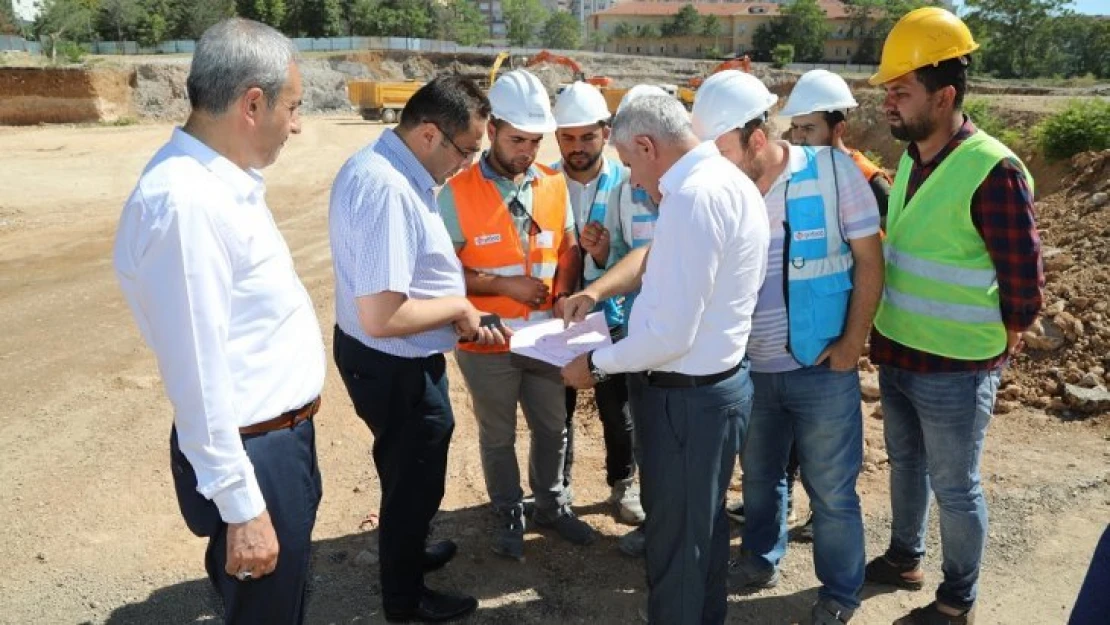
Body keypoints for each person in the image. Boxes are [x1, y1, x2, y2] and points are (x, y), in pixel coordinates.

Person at [113, 18, 325, 624]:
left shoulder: (219, 185)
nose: (299, 123)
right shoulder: (187, 205)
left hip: (272, 443)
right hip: (253, 453)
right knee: (264, 612)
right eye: (294, 106)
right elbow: (197, 374)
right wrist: (243, 508)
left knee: (272, 604)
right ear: (252, 104)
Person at [864, 8, 1044, 625]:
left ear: (943, 97)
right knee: (906, 464)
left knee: (956, 486)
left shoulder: (993, 171)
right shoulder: (915, 154)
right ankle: (904, 557)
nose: (889, 103)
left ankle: (957, 599)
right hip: (899, 350)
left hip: (956, 368)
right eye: (888, 91)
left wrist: (991, 352)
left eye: (901, 92)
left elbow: (1024, 287)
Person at [562, 94, 769, 625]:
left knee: (676, 546)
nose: (631, 180)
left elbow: (670, 335)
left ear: (649, 146)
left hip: (685, 401)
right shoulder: (725, 182)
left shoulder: (693, 199)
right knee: (701, 530)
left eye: (630, 164)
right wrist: (600, 293)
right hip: (711, 392)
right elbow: (657, 263)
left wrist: (597, 364)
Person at [692, 70, 884, 625]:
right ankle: (758, 558)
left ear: (757, 139)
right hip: (750, 367)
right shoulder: (729, 188)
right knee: (759, 476)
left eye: (726, 150)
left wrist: (853, 343)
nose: (719, 164)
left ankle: (841, 591)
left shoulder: (831, 171)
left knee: (831, 489)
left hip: (821, 365)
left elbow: (870, 260)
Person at [330, 75, 507, 622]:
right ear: (430, 133)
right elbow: (383, 316)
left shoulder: (387, 166)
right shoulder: (388, 189)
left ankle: (405, 551)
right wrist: (458, 309)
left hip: (384, 360)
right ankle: (405, 600)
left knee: (406, 467)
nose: (469, 164)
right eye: (468, 150)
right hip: (393, 363)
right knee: (414, 476)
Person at [437, 69, 594, 562]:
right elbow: (441, 279)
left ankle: (549, 504)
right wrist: (503, 285)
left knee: (553, 427)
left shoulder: (552, 184)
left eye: (534, 140)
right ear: (492, 129)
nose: (527, 150)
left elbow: (567, 248)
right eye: (517, 139)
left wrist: (565, 291)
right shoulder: (455, 191)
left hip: (544, 335)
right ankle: (509, 509)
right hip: (486, 339)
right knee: (498, 432)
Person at [551, 81, 655, 527]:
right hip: (557, 317)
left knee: (619, 409)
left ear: (606, 133)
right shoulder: (545, 181)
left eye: (587, 137)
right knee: (557, 410)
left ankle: (623, 483)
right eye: (568, 138)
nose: (577, 148)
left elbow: (643, 253)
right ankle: (559, 487)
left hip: (610, 318)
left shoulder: (628, 182)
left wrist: (602, 253)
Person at [782, 69, 893, 220]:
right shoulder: (793, 175)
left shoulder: (870, 182)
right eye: (795, 127)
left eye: (808, 128)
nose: (797, 138)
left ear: (838, 129)